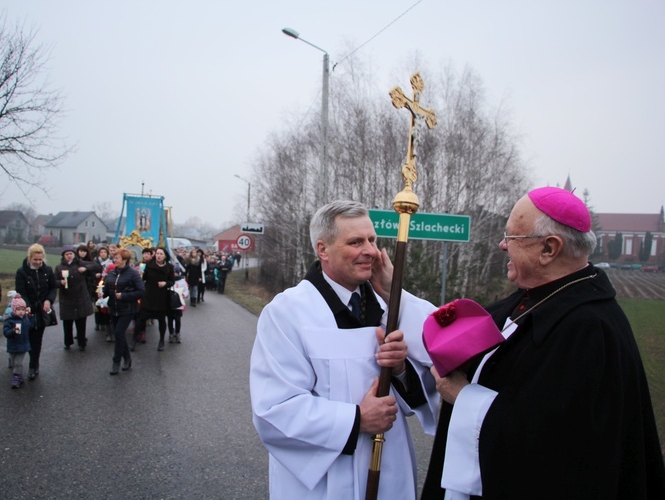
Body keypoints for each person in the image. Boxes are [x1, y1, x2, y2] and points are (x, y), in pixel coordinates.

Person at [421, 187, 665, 499]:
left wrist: (463, 395)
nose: (501, 245)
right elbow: (460, 330)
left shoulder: (588, 330)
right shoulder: (533, 298)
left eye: (511, 238)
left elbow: (552, 448)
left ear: (549, 248)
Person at [250, 200, 439, 499]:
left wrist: (401, 370)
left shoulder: (389, 309)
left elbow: (430, 385)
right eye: (356, 242)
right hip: (323, 481)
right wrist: (357, 419)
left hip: (389, 466)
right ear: (323, 250)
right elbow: (274, 410)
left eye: (372, 240)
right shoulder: (288, 312)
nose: (370, 251)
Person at [15, 243, 57, 381]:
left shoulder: (48, 271)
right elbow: (21, 291)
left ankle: (33, 365)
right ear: (29, 258)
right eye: (35, 260)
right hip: (27, 310)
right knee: (21, 337)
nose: (38, 262)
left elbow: (52, 288)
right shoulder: (22, 272)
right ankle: (15, 362)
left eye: (40, 259)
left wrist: (48, 300)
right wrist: (26, 305)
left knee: (36, 339)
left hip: (42, 311)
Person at [100, 248, 144, 375]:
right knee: (119, 334)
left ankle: (116, 362)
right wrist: (101, 294)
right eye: (114, 258)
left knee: (119, 332)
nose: (114, 260)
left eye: (117, 258)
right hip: (114, 308)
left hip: (128, 309)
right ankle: (128, 358)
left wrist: (124, 296)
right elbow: (108, 289)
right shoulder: (112, 273)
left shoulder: (133, 274)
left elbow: (141, 291)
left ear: (124, 260)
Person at [55, 245, 100, 351]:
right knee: (67, 322)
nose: (69, 256)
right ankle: (68, 342)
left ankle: (82, 342)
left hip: (81, 296)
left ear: (74, 254)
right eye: (67, 254)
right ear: (63, 256)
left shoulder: (80, 263)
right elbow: (54, 281)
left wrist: (86, 268)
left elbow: (97, 267)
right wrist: (60, 282)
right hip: (67, 297)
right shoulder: (59, 267)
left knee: (81, 321)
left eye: (71, 254)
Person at [135, 247, 174, 351]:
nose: (159, 255)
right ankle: (134, 340)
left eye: (161, 254)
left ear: (165, 256)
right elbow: (144, 279)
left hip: (161, 298)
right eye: (157, 253)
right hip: (148, 296)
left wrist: (165, 283)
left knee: (161, 320)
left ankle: (161, 340)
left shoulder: (169, 267)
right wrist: (141, 275)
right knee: (141, 319)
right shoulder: (148, 265)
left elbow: (172, 281)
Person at [3, 294, 32, 389]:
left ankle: (15, 379)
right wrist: (13, 331)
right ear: (14, 310)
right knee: (13, 362)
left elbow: (30, 326)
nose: (21, 312)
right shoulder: (10, 320)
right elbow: (6, 332)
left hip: (23, 345)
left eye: (23, 310)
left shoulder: (25, 319)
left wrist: (30, 318)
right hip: (12, 345)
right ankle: (19, 376)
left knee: (18, 363)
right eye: (19, 310)